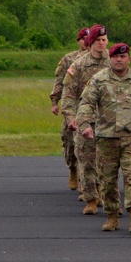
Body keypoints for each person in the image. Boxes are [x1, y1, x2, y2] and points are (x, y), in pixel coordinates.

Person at [76, 43, 131, 233]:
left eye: (123, 57)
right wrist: (85, 125)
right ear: (110, 59)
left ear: (129, 58)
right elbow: (86, 103)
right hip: (106, 138)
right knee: (108, 180)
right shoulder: (99, 80)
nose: (119, 60)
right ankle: (112, 216)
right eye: (115, 57)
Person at [60, 25, 110, 214]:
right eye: (97, 40)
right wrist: (71, 118)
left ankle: (106, 195)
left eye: (104, 40)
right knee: (87, 161)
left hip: (108, 121)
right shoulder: (78, 65)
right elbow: (69, 94)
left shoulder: (113, 63)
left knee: (107, 162)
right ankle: (91, 198)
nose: (101, 43)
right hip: (85, 119)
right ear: (90, 42)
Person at [50, 27, 89, 192]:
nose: (87, 42)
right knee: (69, 142)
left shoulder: (104, 59)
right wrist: (55, 101)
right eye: (84, 39)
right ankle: (73, 169)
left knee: (88, 145)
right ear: (78, 40)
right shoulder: (69, 59)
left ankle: (85, 180)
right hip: (73, 106)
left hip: (91, 108)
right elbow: (61, 81)